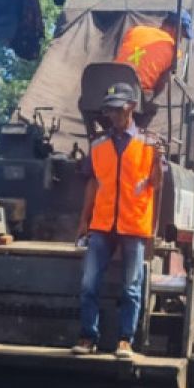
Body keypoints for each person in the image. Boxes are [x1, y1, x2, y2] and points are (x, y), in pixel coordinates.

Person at [72, 82, 164, 359]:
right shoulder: (98, 145)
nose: (111, 116)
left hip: (134, 225)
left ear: (131, 108)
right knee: (89, 284)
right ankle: (88, 337)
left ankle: (125, 340)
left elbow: (156, 185)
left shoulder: (149, 144)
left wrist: (159, 160)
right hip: (101, 225)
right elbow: (93, 184)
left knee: (131, 286)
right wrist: (82, 223)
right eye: (108, 111)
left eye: (116, 110)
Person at [115, 10, 194, 100]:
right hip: (134, 93)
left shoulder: (136, 30)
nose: (181, 40)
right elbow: (161, 83)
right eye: (182, 36)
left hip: (111, 89)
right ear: (176, 30)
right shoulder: (175, 52)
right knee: (150, 107)